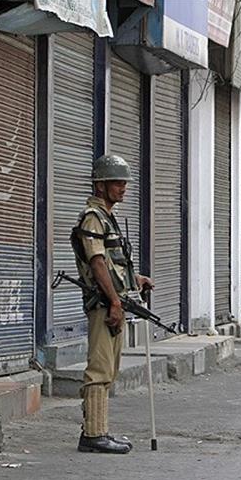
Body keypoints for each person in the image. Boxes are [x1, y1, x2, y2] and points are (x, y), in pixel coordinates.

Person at [71, 154, 153, 453]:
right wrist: (115, 302)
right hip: (104, 305)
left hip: (113, 301)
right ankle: (93, 436)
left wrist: (135, 280)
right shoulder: (93, 217)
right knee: (100, 368)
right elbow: (97, 263)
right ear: (101, 185)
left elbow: (112, 263)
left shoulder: (106, 216)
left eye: (124, 183)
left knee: (109, 369)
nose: (123, 188)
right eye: (117, 182)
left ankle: (98, 430)